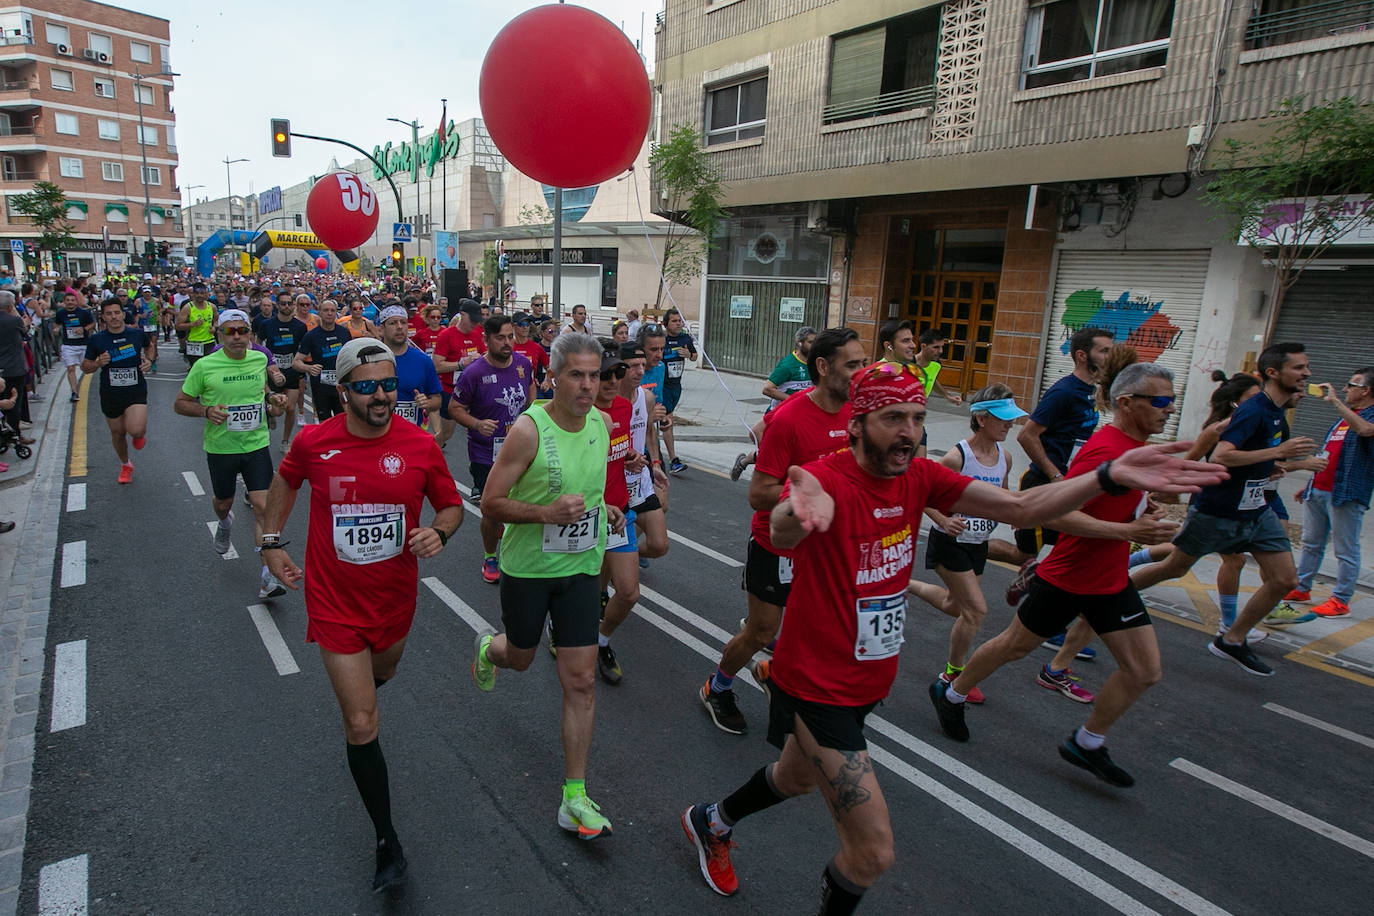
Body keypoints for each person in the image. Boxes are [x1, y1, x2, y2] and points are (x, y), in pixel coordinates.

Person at [682, 362, 1221, 908]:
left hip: (869, 677)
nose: (910, 432)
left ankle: (712, 820)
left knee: (794, 778)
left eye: (917, 418)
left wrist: (1109, 477)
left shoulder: (920, 478)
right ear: (859, 422)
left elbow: (1021, 507)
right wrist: (798, 515)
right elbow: (780, 527)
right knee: (872, 853)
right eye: (894, 418)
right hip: (817, 684)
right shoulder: (826, 476)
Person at [931, 362, 1199, 788]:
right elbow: (1059, 513)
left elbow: (1118, 501)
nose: (1169, 410)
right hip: (1068, 577)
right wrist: (1129, 530)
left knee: (1145, 671)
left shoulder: (1136, 448)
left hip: (1110, 580)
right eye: (1161, 401)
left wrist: (1142, 508)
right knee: (1012, 648)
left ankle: (1087, 742)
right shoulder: (1103, 450)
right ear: (1127, 403)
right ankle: (952, 692)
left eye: (1173, 401)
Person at [262, 337, 464, 892]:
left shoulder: (420, 444)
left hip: (395, 600)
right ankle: (386, 840)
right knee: (361, 721)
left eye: (389, 384)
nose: (381, 395)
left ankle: (366, 689)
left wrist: (439, 531)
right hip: (333, 601)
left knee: (385, 674)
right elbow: (284, 484)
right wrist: (271, 541)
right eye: (367, 385)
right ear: (344, 389)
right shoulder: (314, 441)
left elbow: (450, 504)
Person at [471, 332, 625, 840]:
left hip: (581, 568)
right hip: (529, 569)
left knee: (579, 680)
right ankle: (487, 650)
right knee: (520, 657)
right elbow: (491, 502)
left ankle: (574, 796)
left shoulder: (602, 425)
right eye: (576, 375)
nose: (587, 386)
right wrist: (545, 513)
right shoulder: (528, 431)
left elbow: (593, 492)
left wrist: (606, 512)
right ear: (552, 377)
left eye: (594, 375)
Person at [700, 328, 866, 735]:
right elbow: (759, 494)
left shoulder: (856, 415)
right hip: (779, 546)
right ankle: (717, 687)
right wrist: (817, 491)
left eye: (863, 363)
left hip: (826, 546)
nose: (860, 373)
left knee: (826, 628)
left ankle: (778, 673)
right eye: (852, 365)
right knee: (761, 630)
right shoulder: (789, 418)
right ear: (823, 367)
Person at [1130, 342, 1321, 675]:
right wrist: (1278, 454)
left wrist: (1269, 469)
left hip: (1256, 512)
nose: (1306, 374)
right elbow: (1222, 456)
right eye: (1299, 368)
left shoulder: (1276, 411)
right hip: (1217, 512)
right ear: (1274, 373)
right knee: (1174, 567)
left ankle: (1231, 639)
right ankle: (1100, 597)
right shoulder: (1254, 410)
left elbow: (1248, 459)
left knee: (1284, 578)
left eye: (1306, 367)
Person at [907, 384, 1027, 705]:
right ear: (982, 418)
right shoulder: (955, 458)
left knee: (954, 606)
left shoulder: (1006, 456)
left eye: (1011, 418)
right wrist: (944, 520)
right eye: (1003, 418)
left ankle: (904, 585)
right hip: (949, 542)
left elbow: (1001, 494)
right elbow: (922, 496)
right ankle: (952, 674)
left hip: (978, 544)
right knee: (976, 611)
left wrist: (1014, 513)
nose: (1009, 424)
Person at [174, 310, 290, 599]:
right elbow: (180, 403)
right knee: (223, 503)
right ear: (220, 335)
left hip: (256, 444)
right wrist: (205, 410)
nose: (237, 336)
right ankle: (225, 523)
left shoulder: (260, 359)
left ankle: (266, 577)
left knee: (263, 506)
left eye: (242, 330)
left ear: (250, 333)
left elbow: (262, 393)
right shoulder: (204, 366)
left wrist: (273, 399)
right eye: (230, 331)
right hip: (221, 448)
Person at [1006, 326, 1115, 614]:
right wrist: (1056, 476)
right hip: (1045, 484)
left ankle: (1047, 611)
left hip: (1070, 488)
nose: (1110, 356)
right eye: (1104, 350)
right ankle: (963, 545)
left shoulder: (1094, 392)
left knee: (1067, 553)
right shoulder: (1063, 392)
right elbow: (1027, 435)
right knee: (1028, 554)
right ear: (1082, 355)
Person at [1283, 367, 1374, 618]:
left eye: (1350, 385)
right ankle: (1302, 587)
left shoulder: (1365, 417)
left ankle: (1340, 599)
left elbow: (1366, 431)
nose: (1344, 389)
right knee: (1312, 543)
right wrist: (1311, 483)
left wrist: (1335, 401)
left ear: (1366, 390)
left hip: (1345, 494)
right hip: (1319, 489)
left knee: (1345, 550)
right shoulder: (1346, 417)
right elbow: (1330, 451)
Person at [450, 315, 534, 582]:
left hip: (520, 450)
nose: (507, 343)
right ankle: (489, 555)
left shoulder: (523, 364)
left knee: (522, 502)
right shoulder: (473, 372)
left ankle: (519, 551)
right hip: (487, 453)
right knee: (492, 510)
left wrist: (531, 414)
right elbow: (454, 408)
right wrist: (476, 424)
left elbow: (530, 388)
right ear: (486, 340)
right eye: (501, 338)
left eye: (510, 337)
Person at [588, 343, 640, 684]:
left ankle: (600, 641)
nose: (611, 381)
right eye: (603, 375)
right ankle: (558, 626)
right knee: (583, 590)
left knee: (629, 592)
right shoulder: (582, 412)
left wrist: (634, 457)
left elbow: (621, 450)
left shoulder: (623, 407)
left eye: (616, 374)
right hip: (587, 516)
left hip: (620, 512)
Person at [81, 300, 155, 483]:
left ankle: (138, 435)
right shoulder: (97, 339)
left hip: (135, 390)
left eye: (116, 312)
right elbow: (85, 367)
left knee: (136, 430)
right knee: (118, 433)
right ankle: (125, 465)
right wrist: (98, 363)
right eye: (109, 314)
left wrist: (149, 360)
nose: (113, 317)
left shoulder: (136, 334)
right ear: (103, 317)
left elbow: (150, 346)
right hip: (110, 393)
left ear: (123, 314)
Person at [731, 326, 816, 482]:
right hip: (778, 416)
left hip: (802, 418)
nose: (815, 345)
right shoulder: (787, 365)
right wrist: (794, 400)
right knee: (772, 455)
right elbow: (768, 389)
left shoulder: (815, 364)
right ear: (799, 343)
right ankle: (745, 462)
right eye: (811, 342)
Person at [618, 342, 671, 566]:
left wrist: (656, 464)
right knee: (626, 589)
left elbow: (649, 430)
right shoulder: (605, 400)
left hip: (639, 480)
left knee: (659, 545)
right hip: (613, 482)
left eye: (642, 365)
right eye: (633, 366)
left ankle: (627, 555)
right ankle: (616, 561)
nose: (640, 371)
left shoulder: (646, 397)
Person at [376, 305, 443, 433]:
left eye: (403, 322)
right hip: (378, 434)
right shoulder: (371, 359)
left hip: (411, 435)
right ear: (381, 330)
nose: (399, 327)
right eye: (393, 323)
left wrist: (427, 403)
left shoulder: (423, 361)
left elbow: (437, 400)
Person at [256, 294, 309, 446]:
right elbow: (258, 344)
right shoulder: (267, 325)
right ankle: (269, 412)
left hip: (292, 371)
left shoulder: (300, 326)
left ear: (293, 305)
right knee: (278, 410)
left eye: (289, 304)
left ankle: (285, 441)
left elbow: (304, 348)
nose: (286, 306)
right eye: (283, 304)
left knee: (291, 408)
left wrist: (302, 365)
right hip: (273, 372)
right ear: (277, 305)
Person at [431, 301, 486, 449]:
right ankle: (431, 450)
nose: (474, 324)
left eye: (477, 320)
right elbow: (436, 366)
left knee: (480, 428)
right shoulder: (446, 335)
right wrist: (461, 364)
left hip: (474, 390)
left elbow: (484, 354)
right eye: (472, 320)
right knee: (447, 432)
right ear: (462, 315)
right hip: (451, 390)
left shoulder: (477, 334)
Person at [294, 299, 351, 422]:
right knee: (325, 422)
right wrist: (308, 368)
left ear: (336, 313)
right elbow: (296, 362)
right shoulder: (311, 336)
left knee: (343, 421)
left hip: (341, 386)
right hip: (321, 387)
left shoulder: (344, 333)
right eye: (326, 310)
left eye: (332, 311)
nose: (329, 313)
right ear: (319, 312)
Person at [659, 308, 698, 475]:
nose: (678, 324)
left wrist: (689, 354)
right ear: (665, 324)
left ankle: (657, 453)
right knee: (667, 422)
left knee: (666, 421)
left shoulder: (685, 338)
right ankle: (673, 460)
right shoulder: (661, 339)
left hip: (676, 386)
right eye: (674, 321)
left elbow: (695, 356)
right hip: (662, 385)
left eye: (680, 321)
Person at [0, 293, 31, 444]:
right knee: (14, 403)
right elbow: (26, 334)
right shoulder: (14, 320)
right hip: (14, 368)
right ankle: (15, 436)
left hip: (2, 368)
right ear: (10, 306)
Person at [53, 290, 95, 402]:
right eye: (68, 300)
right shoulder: (60, 313)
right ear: (64, 302)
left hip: (83, 344)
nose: (70, 302)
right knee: (71, 368)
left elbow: (92, 324)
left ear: (76, 302)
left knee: (86, 369)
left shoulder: (84, 313)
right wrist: (56, 329)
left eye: (72, 300)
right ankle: (74, 392)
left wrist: (83, 329)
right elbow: (56, 324)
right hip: (68, 345)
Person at [176, 282, 218, 368]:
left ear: (207, 294)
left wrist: (214, 327)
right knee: (196, 367)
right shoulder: (188, 307)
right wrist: (192, 324)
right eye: (197, 293)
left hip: (209, 341)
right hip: (194, 342)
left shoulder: (212, 307)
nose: (200, 295)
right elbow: (178, 326)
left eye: (202, 293)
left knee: (209, 367)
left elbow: (217, 320)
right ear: (193, 294)